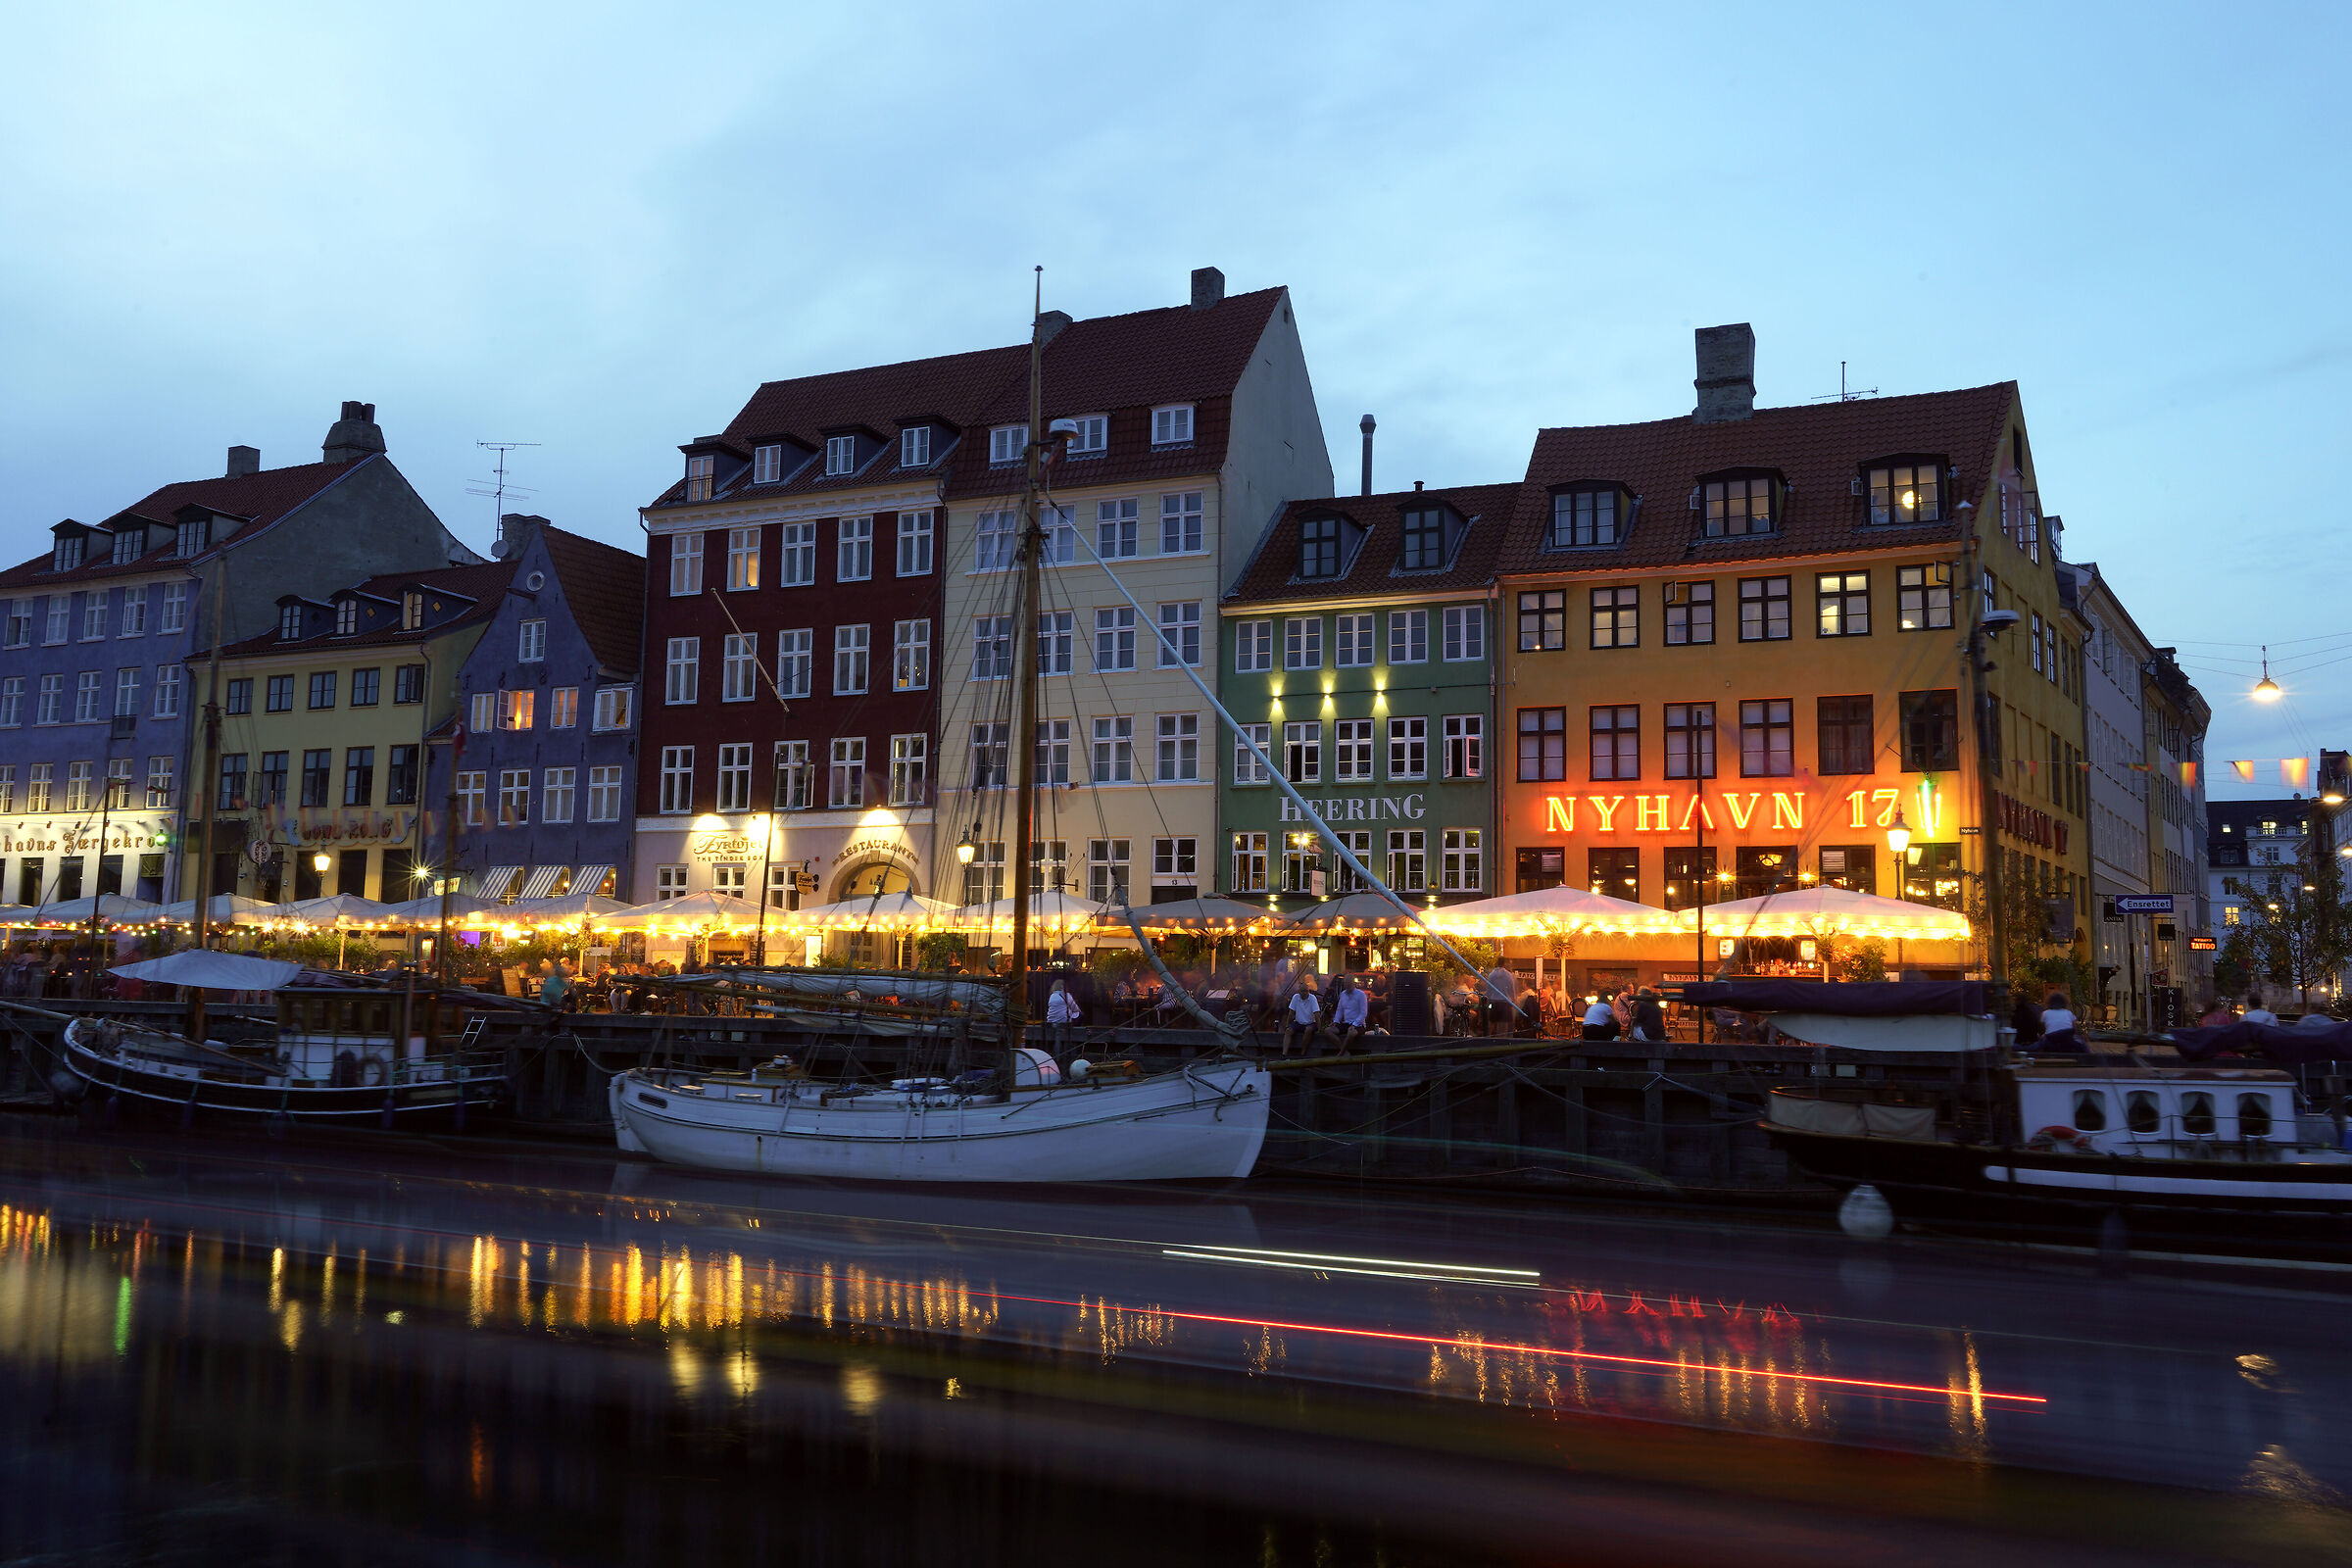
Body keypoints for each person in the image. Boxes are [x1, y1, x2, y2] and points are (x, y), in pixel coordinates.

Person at [1328, 975, 1369, 1052]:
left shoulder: (1361, 994)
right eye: (1346, 984)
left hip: (1359, 1025)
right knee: (1328, 1031)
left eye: (1349, 984)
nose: (1347, 986)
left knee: (1351, 1033)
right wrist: (1336, 1021)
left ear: (1354, 983)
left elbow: (1363, 1013)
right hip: (1346, 1023)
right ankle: (1344, 1051)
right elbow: (1339, 1010)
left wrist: (1354, 1024)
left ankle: (1340, 1054)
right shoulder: (1343, 994)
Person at [1286, 976, 1322, 1054]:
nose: (1304, 993)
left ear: (1308, 991)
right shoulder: (1295, 997)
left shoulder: (1312, 998)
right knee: (1288, 1031)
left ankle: (1303, 1052)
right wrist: (1287, 1025)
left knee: (1308, 1030)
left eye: (1306, 991)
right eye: (1302, 991)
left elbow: (1317, 1015)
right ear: (1299, 991)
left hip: (1310, 1023)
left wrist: (1319, 1029)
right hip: (1298, 1023)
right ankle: (1284, 1053)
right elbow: (1291, 1013)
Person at [1484, 960, 1517, 1037]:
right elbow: (1511, 989)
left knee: (1492, 1022)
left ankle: (1487, 1039)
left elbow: (1489, 989)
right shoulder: (1508, 975)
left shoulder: (1491, 975)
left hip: (1494, 1002)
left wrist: (1488, 1000)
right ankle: (1502, 1040)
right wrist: (1513, 1000)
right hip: (1505, 1002)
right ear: (1504, 964)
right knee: (1504, 1024)